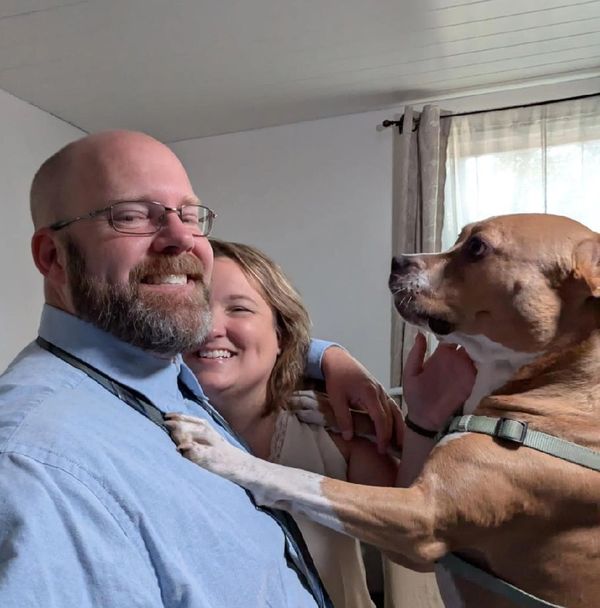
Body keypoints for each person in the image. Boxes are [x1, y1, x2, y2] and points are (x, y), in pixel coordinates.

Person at [0, 130, 402, 608]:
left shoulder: (164, 380)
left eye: (190, 215)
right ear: (53, 258)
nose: (181, 238)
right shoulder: (40, 466)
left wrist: (327, 356)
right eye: (131, 216)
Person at [183, 239, 477, 608]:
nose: (211, 327)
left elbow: (416, 547)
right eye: (193, 307)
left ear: (281, 336)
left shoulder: (335, 435)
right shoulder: (146, 438)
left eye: (239, 308)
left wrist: (423, 420)